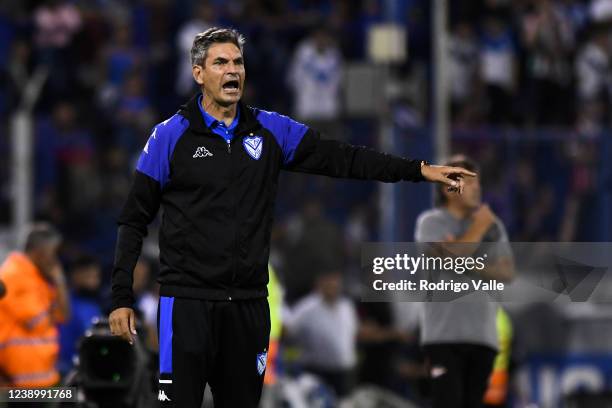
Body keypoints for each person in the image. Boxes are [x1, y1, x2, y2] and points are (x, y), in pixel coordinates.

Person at [109, 27, 476, 408]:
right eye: (221, 62)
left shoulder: (272, 130)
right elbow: (133, 219)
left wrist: (418, 169)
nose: (232, 70)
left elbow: (345, 158)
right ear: (198, 73)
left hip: (248, 308)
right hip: (186, 305)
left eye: (238, 62)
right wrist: (121, 297)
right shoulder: (170, 136)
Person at [414, 155, 514, 408]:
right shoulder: (430, 223)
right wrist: (478, 228)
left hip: (483, 335)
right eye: (468, 183)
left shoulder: (496, 227)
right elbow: (455, 257)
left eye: (477, 183)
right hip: (443, 336)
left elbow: (506, 272)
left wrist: (460, 255)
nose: (476, 189)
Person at [0, 223, 70, 389]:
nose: (55, 259)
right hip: (17, 377)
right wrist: (51, 312)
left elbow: (63, 315)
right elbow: (36, 322)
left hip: (39, 375)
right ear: (40, 251)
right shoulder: (14, 275)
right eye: (53, 252)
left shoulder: (37, 278)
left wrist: (59, 281)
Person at [284, 270, 357, 398]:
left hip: (343, 371)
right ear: (320, 284)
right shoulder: (308, 307)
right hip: (316, 370)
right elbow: (288, 329)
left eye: (335, 283)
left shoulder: (346, 306)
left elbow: (351, 334)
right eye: (328, 283)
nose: (332, 286)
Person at [58, 255, 102, 375]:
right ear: (75, 275)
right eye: (88, 277)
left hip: (89, 368)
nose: (94, 282)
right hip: (66, 369)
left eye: (96, 277)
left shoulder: (95, 304)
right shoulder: (65, 302)